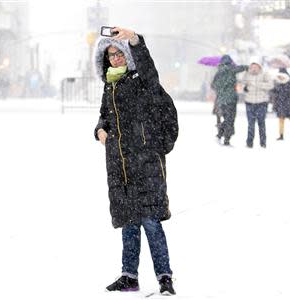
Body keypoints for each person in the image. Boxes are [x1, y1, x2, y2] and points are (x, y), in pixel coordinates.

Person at [94, 27, 178, 296]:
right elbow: (104, 116)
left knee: (151, 222)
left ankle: (165, 277)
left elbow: (149, 69)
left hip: (145, 164)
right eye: (110, 55)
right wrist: (100, 130)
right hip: (120, 166)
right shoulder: (111, 85)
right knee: (129, 223)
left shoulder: (143, 80)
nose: (115, 59)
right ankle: (129, 276)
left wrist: (135, 41)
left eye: (119, 53)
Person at [211, 55, 248, 146]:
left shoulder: (218, 72)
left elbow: (213, 85)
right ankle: (224, 136)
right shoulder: (232, 69)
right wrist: (249, 67)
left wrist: (220, 90)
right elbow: (243, 67)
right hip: (231, 99)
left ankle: (223, 135)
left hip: (221, 100)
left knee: (227, 119)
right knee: (230, 119)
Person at [241, 59, 274, 148]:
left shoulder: (265, 74)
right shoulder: (246, 74)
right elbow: (242, 84)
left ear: (259, 67)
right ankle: (249, 143)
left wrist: (258, 84)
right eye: (252, 67)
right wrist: (245, 87)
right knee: (250, 124)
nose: (254, 69)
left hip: (262, 102)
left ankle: (263, 143)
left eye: (256, 67)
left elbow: (270, 85)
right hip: (249, 102)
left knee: (261, 123)